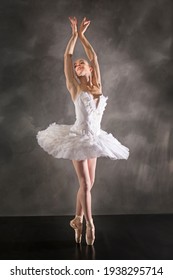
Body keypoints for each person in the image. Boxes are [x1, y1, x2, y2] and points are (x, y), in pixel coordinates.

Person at [36, 17, 129, 246]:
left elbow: (95, 57)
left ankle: (76, 219)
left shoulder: (97, 85)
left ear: (88, 68)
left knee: (89, 184)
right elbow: (67, 57)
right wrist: (73, 35)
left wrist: (84, 36)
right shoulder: (74, 86)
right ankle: (89, 223)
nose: (78, 65)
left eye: (81, 63)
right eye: (76, 65)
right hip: (77, 139)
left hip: (95, 139)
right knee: (85, 185)